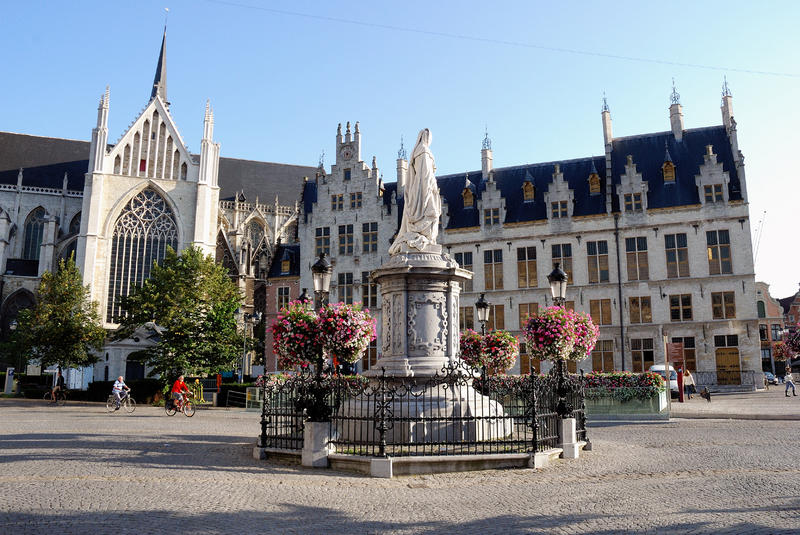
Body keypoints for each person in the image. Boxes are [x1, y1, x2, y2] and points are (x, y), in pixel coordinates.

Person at [388, 128, 441, 254]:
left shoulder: (418, 151)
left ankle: (426, 237)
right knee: (432, 212)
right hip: (424, 187)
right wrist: (431, 187)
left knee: (431, 212)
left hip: (419, 187)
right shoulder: (424, 150)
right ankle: (427, 236)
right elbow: (425, 173)